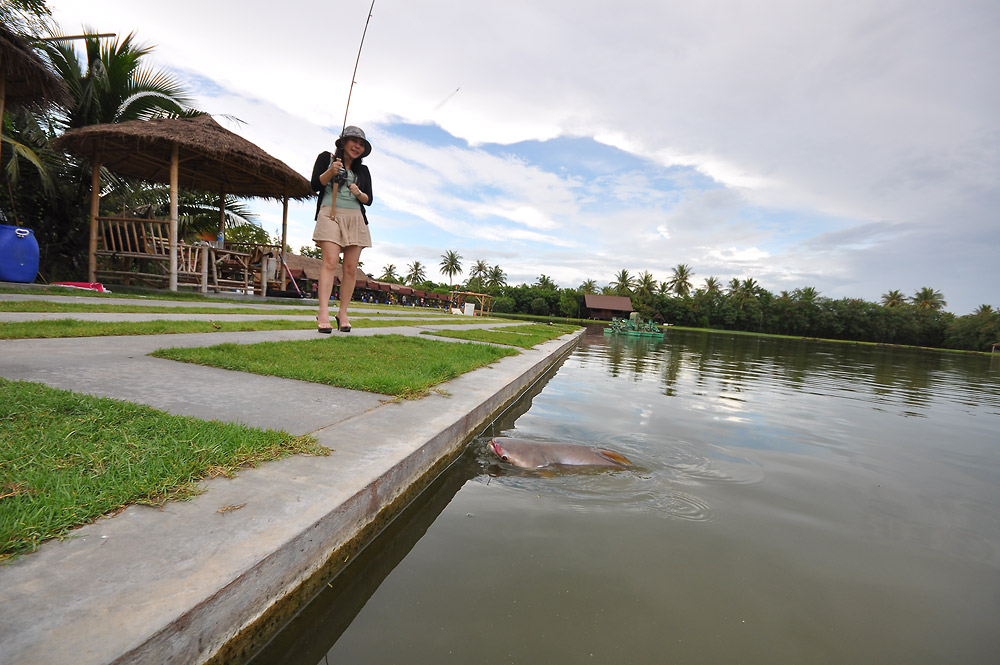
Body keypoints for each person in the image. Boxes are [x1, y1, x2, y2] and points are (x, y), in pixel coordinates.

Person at [310, 126, 374, 333]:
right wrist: (331, 171)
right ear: (343, 142)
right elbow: (314, 185)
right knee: (330, 262)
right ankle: (323, 313)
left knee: (350, 268)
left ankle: (343, 312)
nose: (357, 146)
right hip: (330, 212)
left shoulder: (362, 171)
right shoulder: (327, 158)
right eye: (354, 141)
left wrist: (358, 192)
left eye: (361, 144)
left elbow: (369, 200)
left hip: (355, 217)